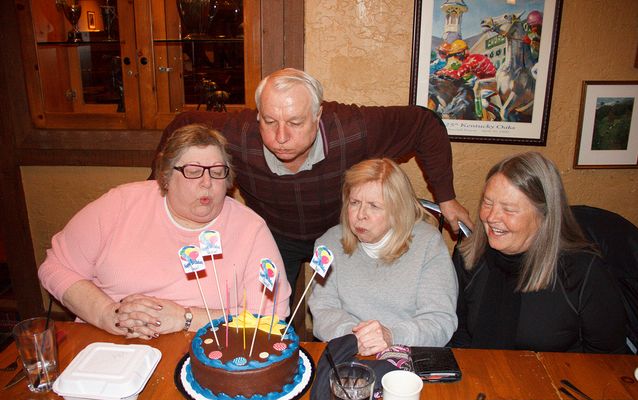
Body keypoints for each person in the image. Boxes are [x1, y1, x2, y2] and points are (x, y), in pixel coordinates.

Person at [154, 68, 472, 306]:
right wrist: (156, 195)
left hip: (342, 233)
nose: (280, 137)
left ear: (318, 115)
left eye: (295, 122)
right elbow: (180, 127)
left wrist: (446, 197)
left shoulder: (353, 128)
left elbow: (424, 123)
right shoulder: (237, 132)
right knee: (268, 320)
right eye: (269, 121)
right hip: (275, 234)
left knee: (349, 311)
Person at [39, 124, 291, 340]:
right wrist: (108, 314)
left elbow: (270, 320)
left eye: (217, 172)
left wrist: (186, 318)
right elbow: (55, 267)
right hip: (106, 344)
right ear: (166, 176)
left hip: (204, 354)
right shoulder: (120, 204)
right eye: (193, 171)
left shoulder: (250, 230)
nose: (207, 183)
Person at [449, 152, 627, 353]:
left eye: (509, 209)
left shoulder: (583, 271)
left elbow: (609, 359)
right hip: (486, 377)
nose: (491, 217)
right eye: (487, 203)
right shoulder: (469, 257)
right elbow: (460, 335)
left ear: (544, 215)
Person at [307, 158, 458, 356]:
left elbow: (439, 319)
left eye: (374, 206)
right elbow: (323, 310)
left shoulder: (428, 244)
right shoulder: (328, 245)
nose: (361, 215)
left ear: (398, 209)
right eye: (354, 203)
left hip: (409, 353)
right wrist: (354, 338)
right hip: (347, 352)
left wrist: (391, 336)